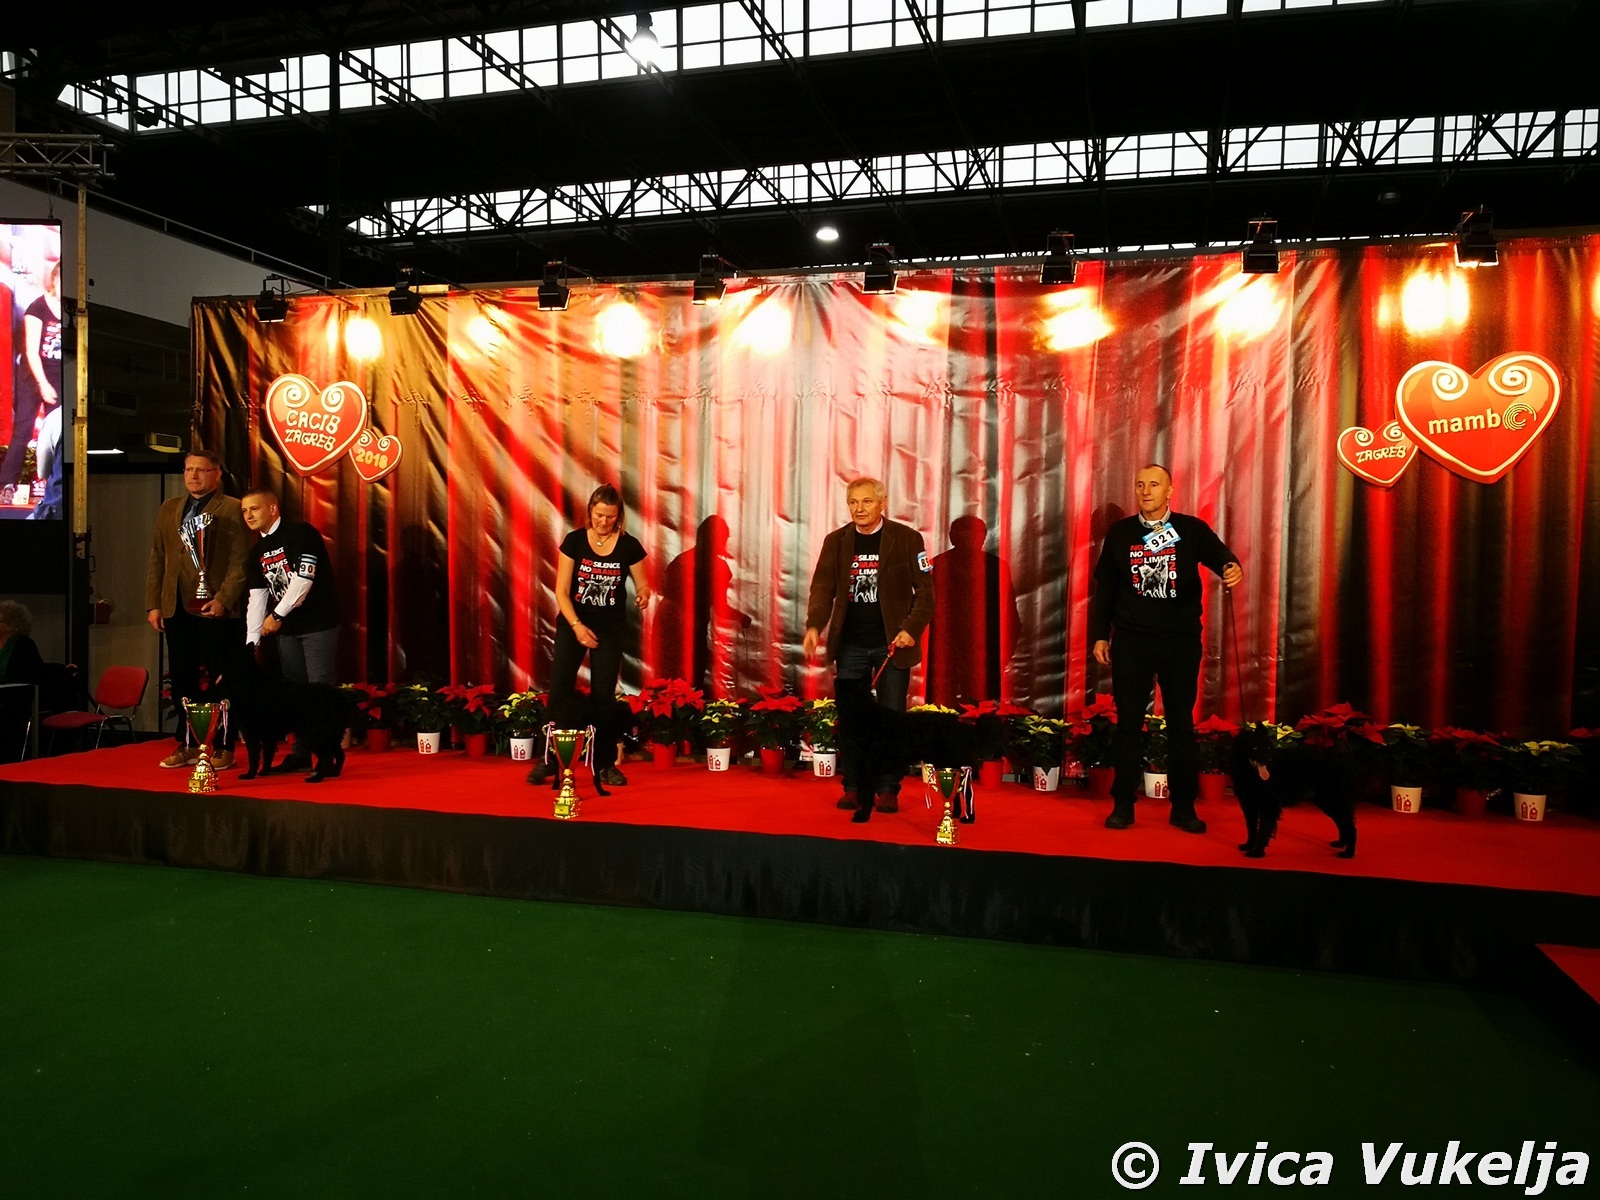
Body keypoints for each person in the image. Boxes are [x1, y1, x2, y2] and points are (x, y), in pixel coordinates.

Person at [1090, 463, 1242, 833]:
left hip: (1179, 641)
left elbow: (1222, 557)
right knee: (1128, 724)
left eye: (1154, 485)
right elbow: (1105, 588)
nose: (1146, 491)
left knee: (1180, 725)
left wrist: (1231, 567)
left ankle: (1184, 807)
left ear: (1169, 490)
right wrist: (1099, 635)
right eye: (1140, 485)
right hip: (1132, 640)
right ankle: (1123, 804)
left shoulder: (1191, 529)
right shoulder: (1121, 533)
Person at [803, 477, 935, 813]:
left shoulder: (907, 539)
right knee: (852, 721)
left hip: (892, 645)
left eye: (866, 502)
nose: (859, 509)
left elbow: (926, 594)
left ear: (882, 503)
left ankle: (888, 788)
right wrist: (814, 625)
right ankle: (853, 786)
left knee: (890, 720)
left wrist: (910, 629)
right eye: (853, 502)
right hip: (851, 644)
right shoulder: (836, 541)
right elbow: (822, 588)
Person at [537, 483, 651, 786]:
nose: (604, 522)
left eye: (610, 517)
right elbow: (561, 592)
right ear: (590, 512)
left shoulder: (628, 546)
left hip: (609, 629)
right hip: (573, 624)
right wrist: (577, 626)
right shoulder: (574, 541)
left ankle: (604, 764)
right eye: (599, 515)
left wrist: (643, 595)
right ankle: (548, 759)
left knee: (604, 696)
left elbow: (643, 584)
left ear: (619, 516)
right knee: (559, 690)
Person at [145, 450, 250, 769]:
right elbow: (158, 557)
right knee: (181, 679)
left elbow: (241, 561)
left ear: (217, 474)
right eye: (189, 469)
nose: (193, 476)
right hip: (175, 607)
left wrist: (223, 599)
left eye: (201, 470)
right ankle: (189, 743)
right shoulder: (170, 507)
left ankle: (225, 746)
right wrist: (154, 603)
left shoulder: (232, 508)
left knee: (222, 678)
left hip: (216, 609)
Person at [241, 487, 341, 770]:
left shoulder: (300, 533)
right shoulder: (256, 552)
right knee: (294, 694)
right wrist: (251, 642)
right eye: (245, 511)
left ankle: (326, 756)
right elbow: (256, 598)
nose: (249, 515)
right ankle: (301, 754)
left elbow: (303, 580)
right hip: (288, 631)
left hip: (318, 623)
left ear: (273, 509)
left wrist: (277, 615)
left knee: (319, 690)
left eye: (254, 509)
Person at [2, 258, 61, 506]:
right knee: (23, 431)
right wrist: (43, 384)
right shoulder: (37, 308)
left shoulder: (68, 310)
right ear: (54, 279)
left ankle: (55, 487)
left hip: (57, 373)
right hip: (32, 375)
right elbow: (31, 351)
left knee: (58, 434)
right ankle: (7, 484)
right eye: (61, 280)